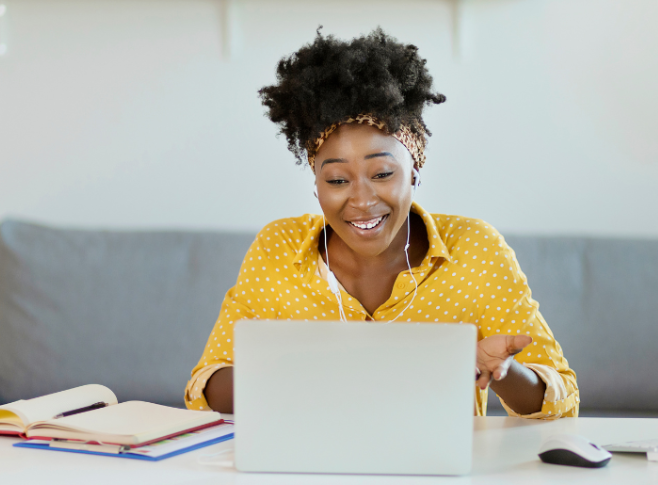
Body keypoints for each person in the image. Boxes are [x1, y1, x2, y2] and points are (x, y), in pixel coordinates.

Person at [184, 28, 578, 419]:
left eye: (383, 174)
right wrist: (300, 372)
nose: (361, 200)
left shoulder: (473, 249)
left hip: (435, 476)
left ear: (415, 172)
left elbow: (561, 400)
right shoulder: (279, 248)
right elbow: (207, 384)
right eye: (337, 180)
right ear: (317, 184)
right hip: (305, 472)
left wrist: (501, 373)